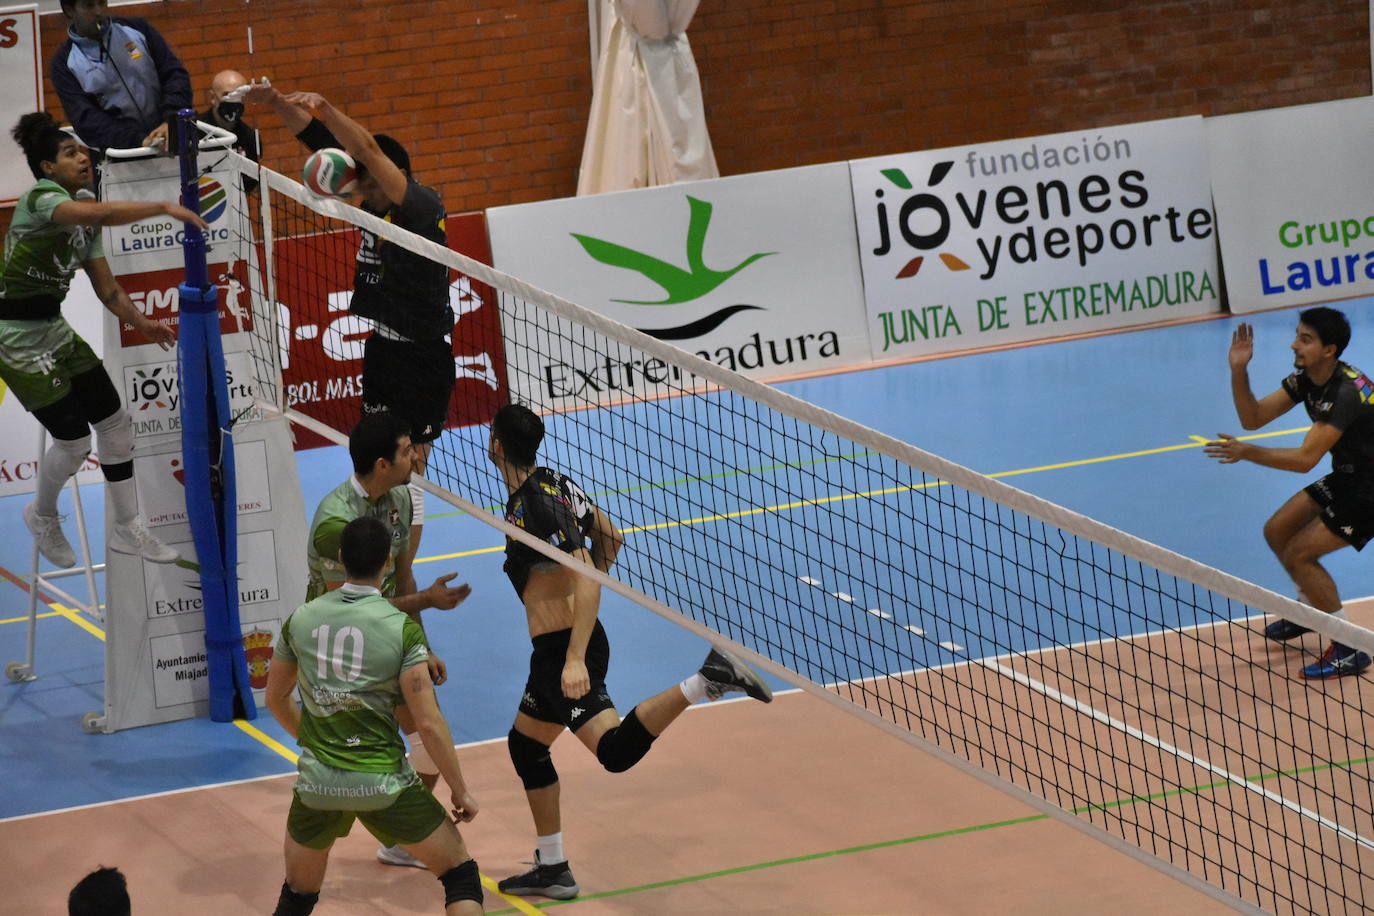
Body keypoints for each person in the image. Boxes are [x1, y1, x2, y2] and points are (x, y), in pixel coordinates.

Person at [488, 403, 774, 900]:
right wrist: (576, 606)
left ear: (496, 445)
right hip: (555, 650)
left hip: (564, 653)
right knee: (526, 746)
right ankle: (552, 867)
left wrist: (575, 654)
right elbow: (612, 539)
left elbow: (586, 572)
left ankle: (707, 678)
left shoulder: (537, 505)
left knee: (615, 752)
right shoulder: (555, 483)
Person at [244, 83, 455, 539]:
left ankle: (404, 566)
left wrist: (326, 105)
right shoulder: (375, 201)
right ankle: (372, 547)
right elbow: (320, 142)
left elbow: (366, 149)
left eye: (371, 181)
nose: (362, 189)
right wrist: (278, 103)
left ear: (395, 174)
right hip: (384, 349)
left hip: (423, 356)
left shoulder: (420, 207)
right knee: (371, 456)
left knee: (410, 467)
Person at [3, 113, 197, 568]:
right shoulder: (42, 198)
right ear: (48, 167)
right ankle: (42, 514)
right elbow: (101, 214)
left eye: (82, 150)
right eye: (70, 153)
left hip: (53, 326)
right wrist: (162, 206)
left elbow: (107, 289)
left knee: (116, 424)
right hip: (13, 335)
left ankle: (129, 526)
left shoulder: (85, 211)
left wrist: (142, 322)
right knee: (74, 443)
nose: (82, 157)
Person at [267, 516, 484, 915]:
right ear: (387, 562)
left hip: (318, 786)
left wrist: (312, 742)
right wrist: (460, 789)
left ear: (340, 557)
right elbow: (428, 723)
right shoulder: (401, 628)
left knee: (297, 896)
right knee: (460, 875)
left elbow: (276, 699)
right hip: (384, 784)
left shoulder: (301, 618)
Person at [307, 412, 472, 866]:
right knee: (344, 761)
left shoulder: (400, 496)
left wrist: (423, 645)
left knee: (428, 738)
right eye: (406, 450)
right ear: (382, 464)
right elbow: (348, 608)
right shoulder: (334, 522)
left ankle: (401, 839)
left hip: (387, 633)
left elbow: (402, 574)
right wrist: (427, 601)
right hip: (339, 646)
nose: (416, 456)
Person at [1206, 309, 1374, 679]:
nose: (1294, 344)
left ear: (1329, 350)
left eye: (1305, 339)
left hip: (1371, 489)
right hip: (1351, 474)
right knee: (1277, 530)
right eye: (1297, 335)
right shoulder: (1307, 379)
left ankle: (1350, 647)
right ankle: (1311, 609)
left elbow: (1304, 460)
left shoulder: (1345, 392)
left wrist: (1248, 452)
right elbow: (1252, 418)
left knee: (1300, 553)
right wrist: (1238, 370)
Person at [50, 0, 192, 153]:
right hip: (121, 156)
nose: (98, 11)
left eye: (102, 2)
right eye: (89, 5)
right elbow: (86, 119)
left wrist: (171, 120)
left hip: (171, 137)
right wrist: (139, 140)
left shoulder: (138, 29)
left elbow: (174, 75)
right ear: (69, 10)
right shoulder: (64, 63)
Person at [199, 69, 260, 194]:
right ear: (213, 97)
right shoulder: (194, 130)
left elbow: (251, 184)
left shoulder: (251, 137)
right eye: (227, 94)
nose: (233, 100)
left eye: (238, 95)